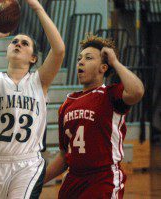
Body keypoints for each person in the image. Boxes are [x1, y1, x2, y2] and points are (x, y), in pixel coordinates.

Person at [0, 0, 65, 198]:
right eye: (14, 42)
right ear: (7, 51)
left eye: (25, 43)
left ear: (33, 58)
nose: (18, 44)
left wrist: (37, 7)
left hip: (27, 163)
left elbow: (58, 50)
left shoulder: (39, 81)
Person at [44, 35, 145, 198]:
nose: (81, 62)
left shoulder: (110, 94)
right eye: (79, 58)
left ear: (104, 67)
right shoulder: (67, 104)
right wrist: (37, 182)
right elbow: (64, 155)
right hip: (73, 179)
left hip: (102, 178)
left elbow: (137, 91)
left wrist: (115, 62)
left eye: (88, 58)